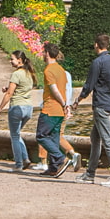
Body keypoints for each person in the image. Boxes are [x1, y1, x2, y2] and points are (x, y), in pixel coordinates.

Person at [73, 33, 110, 184]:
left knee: (107, 140)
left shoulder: (97, 62)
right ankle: (90, 173)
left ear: (96, 44)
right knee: (95, 138)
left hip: (101, 105)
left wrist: (78, 100)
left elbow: (89, 85)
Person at [37, 42, 76, 177]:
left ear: (47, 53)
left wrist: (64, 103)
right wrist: (65, 106)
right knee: (53, 138)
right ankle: (53, 168)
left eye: (43, 52)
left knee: (41, 136)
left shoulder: (49, 70)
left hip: (50, 109)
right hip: (59, 111)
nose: (42, 54)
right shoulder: (61, 70)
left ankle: (60, 158)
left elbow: (54, 91)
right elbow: (64, 89)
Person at [0, 48, 38, 172]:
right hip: (28, 108)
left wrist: (0, 108)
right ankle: (25, 159)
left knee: (14, 136)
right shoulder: (29, 73)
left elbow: (10, 93)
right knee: (17, 134)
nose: (10, 61)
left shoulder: (16, 74)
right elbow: (21, 88)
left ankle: (18, 164)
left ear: (19, 60)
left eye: (12, 59)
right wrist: (8, 89)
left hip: (17, 107)